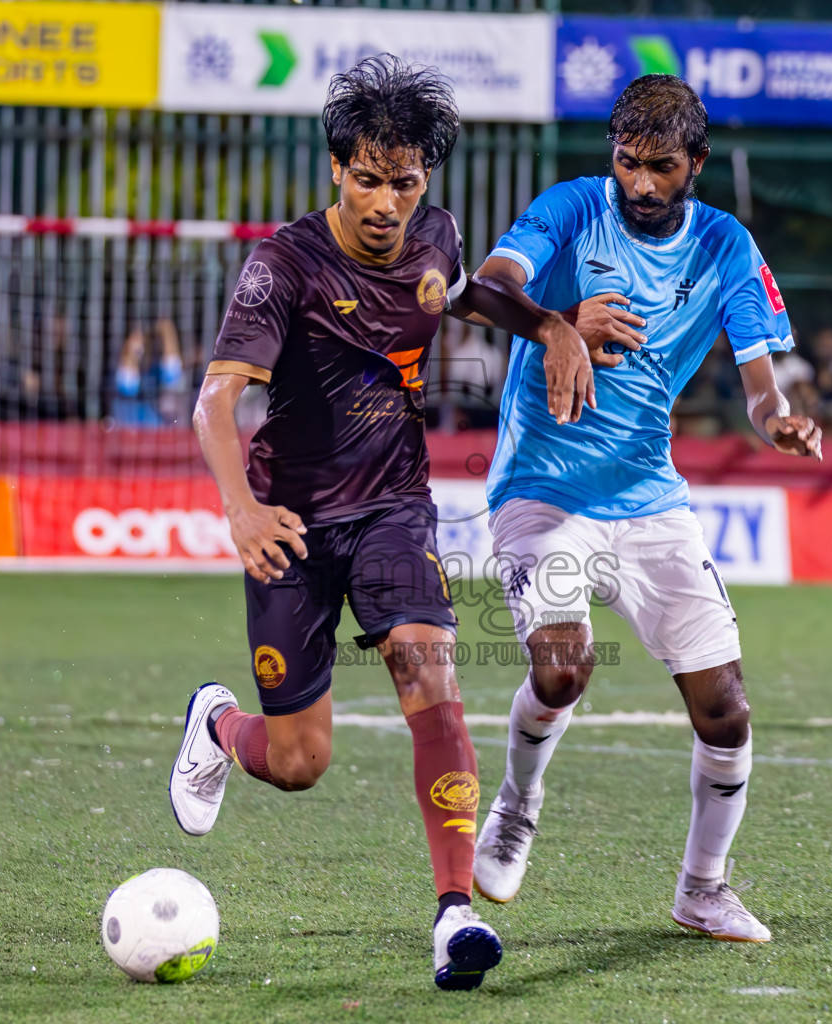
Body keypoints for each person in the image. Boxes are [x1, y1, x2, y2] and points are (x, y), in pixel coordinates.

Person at [165, 55, 593, 991]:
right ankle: (216, 725)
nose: (386, 201)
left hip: (396, 507)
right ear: (336, 171)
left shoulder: (436, 235)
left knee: (427, 661)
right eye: (367, 178)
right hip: (290, 520)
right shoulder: (283, 266)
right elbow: (214, 402)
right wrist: (239, 509)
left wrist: (552, 323)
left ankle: (455, 918)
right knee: (298, 761)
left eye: (403, 182)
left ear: (424, 182)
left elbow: (466, 292)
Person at [467, 74, 822, 944]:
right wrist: (554, 324)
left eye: (660, 166)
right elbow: (482, 288)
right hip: (542, 491)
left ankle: (703, 889)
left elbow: (760, 381)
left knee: (726, 706)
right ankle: (516, 807)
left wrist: (779, 422)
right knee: (562, 668)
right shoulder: (571, 209)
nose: (640, 183)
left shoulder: (728, 248)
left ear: (695, 163)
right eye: (627, 162)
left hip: (649, 497)